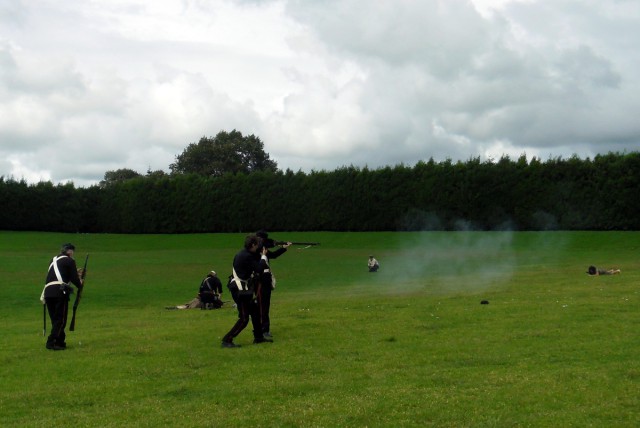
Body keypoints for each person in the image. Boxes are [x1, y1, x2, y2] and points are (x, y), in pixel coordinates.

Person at [221, 234, 271, 348]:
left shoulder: (244, 254)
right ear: (253, 245)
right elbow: (259, 268)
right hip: (240, 291)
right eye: (257, 245)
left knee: (255, 312)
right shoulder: (247, 256)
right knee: (244, 318)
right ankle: (227, 340)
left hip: (243, 289)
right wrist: (263, 256)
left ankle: (258, 337)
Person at [41, 243, 84, 351]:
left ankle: (60, 341)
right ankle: (51, 342)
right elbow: (74, 279)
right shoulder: (70, 261)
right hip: (60, 292)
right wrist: (80, 282)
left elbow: (61, 275)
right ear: (70, 252)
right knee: (61, 319)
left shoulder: (53, 260)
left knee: (55, 319)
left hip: (48, 292)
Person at [255, 230, 291, 340]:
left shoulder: (262, 250)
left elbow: (273, 255)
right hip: (260, 281)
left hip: (265, 281)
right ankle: (262, 330)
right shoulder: (257, 251)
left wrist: (284, 247)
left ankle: (264, 329)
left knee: (265, 306)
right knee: (262, 307)